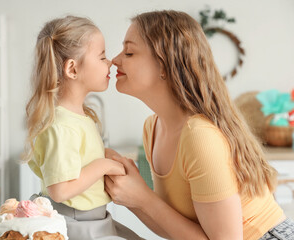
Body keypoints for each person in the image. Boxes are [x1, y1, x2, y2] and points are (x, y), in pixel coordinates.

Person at [105, 10, 294, 240]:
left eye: (130, 52)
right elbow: (177, 230)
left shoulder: (199, 136)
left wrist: (142, 197)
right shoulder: (152, 127)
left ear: (165, 65)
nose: (115, 60)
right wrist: (132, 198)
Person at [23, 16, 143, 240]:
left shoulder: (78, 117)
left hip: (93, 219)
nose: (109, 63)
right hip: (76, 224)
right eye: (102, 56)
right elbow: (60, 190)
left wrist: (106, 159)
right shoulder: (61, 125)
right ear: (72, 69)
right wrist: (104, 164)